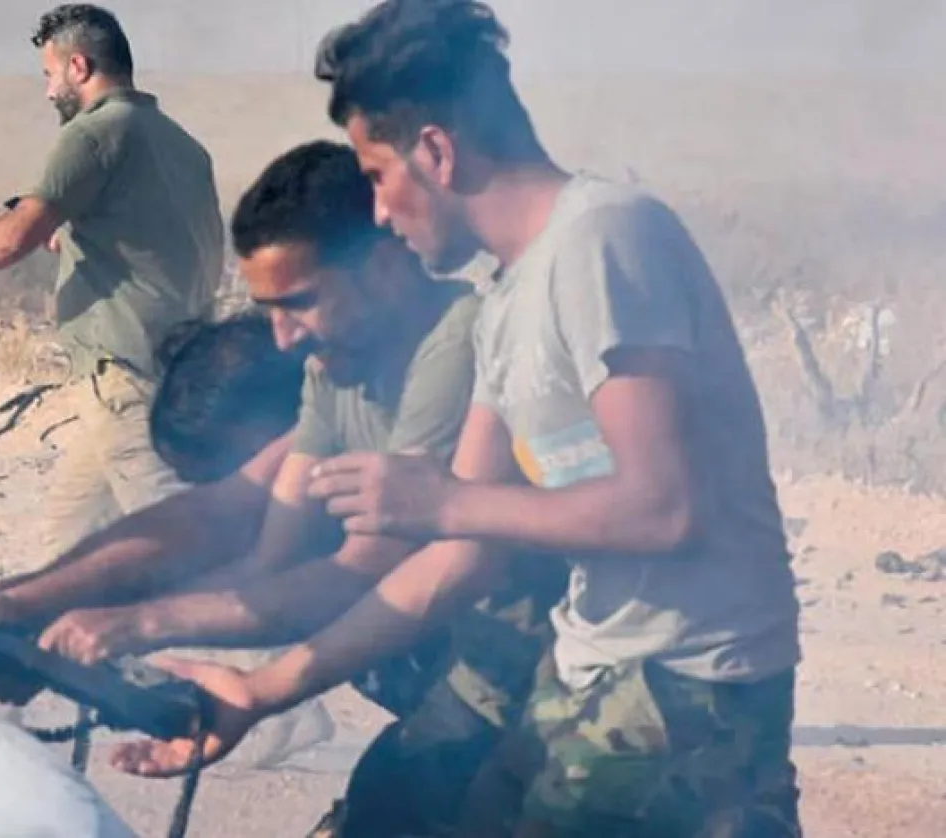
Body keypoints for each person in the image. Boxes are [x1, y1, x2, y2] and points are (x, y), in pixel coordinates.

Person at [114, 3, 804, 836]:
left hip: (686, 688)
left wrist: (443, 503)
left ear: (436, 151)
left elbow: (662, 506)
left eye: (376, 174)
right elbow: (458, 556)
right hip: (592, 672)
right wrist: (261, 692)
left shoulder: (604, 240)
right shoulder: (509, 299)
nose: (375, 212)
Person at [0, 140, 562, 835]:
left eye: (301, 302)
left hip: (547, 685)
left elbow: (357, 573)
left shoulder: (457, 342)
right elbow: (233, 532)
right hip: (472, 684)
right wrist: (22, 613)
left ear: (378, 266)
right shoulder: (335, 370)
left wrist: (135, 626)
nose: (282, 339)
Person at [0, 3, 225, 562]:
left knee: (189, 547)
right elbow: (155, 240)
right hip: (173, 367)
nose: (46, 91)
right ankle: (74, 645)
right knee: (71, 545)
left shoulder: (93, 135)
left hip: (128, 378)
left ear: (79, 67)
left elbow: (12, 238)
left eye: (49, 74)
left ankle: (267, 640)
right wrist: (75, 236)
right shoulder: (180, 143)